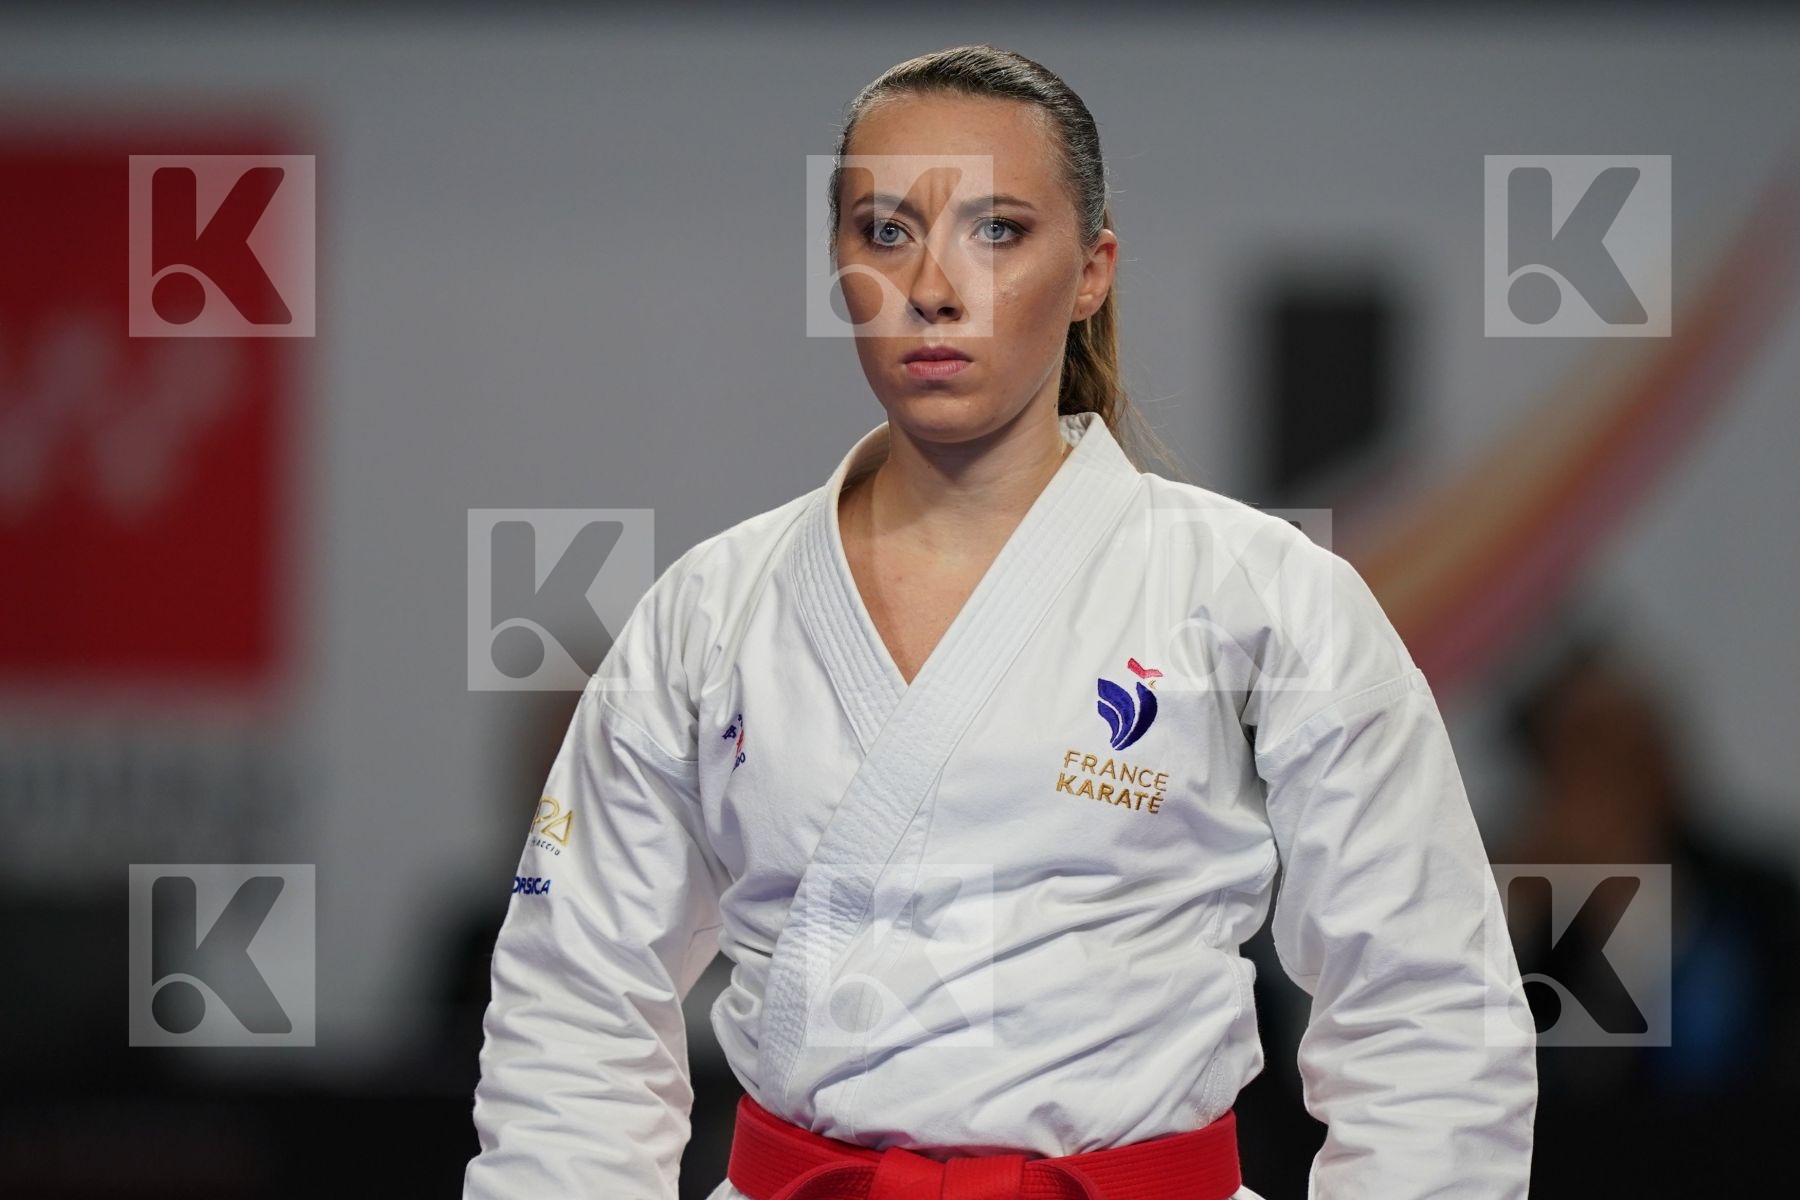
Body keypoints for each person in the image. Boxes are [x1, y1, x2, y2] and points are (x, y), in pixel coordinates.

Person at [463, 44, 1536, 1200]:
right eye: (884, 231)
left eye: (997, 230)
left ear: (1092, 271)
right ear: (836, 266)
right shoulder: (708, 611)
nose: (932, 283)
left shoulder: (1267, 596)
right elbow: (574, 1010)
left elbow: (1426, 1011)